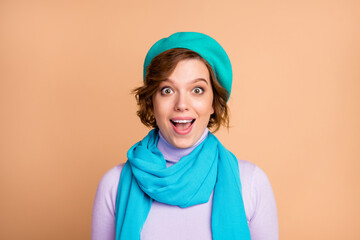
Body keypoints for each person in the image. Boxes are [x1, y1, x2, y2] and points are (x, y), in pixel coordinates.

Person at [91, 32, 278, 240]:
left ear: (214, 103)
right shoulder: (114, 185)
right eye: (167, 90)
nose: (181, 104)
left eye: (197, 90)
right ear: (152, 103)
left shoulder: (251, 183)